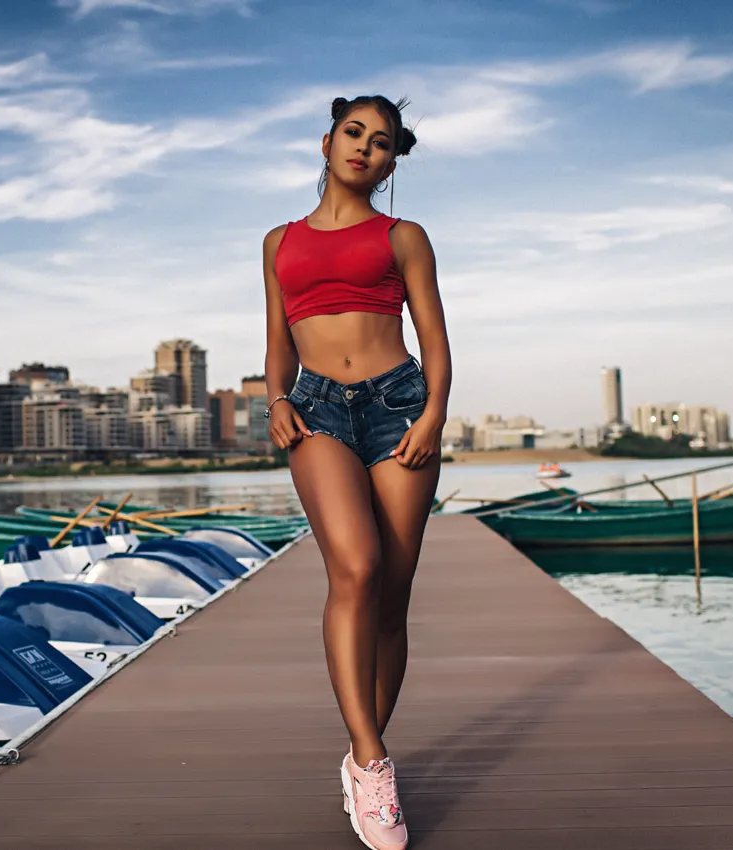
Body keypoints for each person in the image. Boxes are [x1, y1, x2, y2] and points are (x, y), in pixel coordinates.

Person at [261, 95, 451, 850]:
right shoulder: (279, 241)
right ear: (328, 139)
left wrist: (433, 414)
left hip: (400, 404)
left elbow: (433, 334)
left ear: (392, 162)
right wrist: (275, 396)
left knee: (394, 598)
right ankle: (373, 764)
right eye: (354, 134)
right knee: (357, 568)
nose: (364, 149)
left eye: (381, 144)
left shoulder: (404, 237)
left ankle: (358, 749)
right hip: (316, 412)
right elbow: (276, 337)